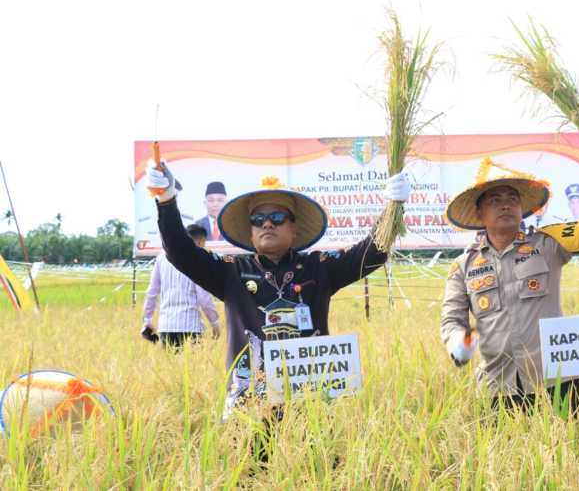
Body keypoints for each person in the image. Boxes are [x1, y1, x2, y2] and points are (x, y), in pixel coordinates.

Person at [145, 165, 411, 416]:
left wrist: (392, 209)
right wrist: (166, 201)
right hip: (248, 404)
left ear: (293, 228)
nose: (267, 224)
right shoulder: (231, 271)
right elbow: (180, 251)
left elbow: (370, 254)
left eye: (277, 217)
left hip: (309, 403)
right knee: (247, 465)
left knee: (315, 465)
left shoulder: (318, 267)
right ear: (251, 232)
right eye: (258, 219)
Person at [440, 150, 579, 415]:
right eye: (495, 200)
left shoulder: (548, 243)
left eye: (512, 199)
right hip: (499, 385)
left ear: (522, 208)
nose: (506, 205)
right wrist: (457, 340)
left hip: (554, 378)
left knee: (566, 451)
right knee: (504, 454)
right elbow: (451, 319)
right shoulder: (464, 266)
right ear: (479, 212)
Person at [142, 224, 221, 349]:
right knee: (193, 367)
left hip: (166, 326)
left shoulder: (161, 258)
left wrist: (147, 321)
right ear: (200, 242)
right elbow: (204, 298)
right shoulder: (197, 260)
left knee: (169, 367)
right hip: (191, 327)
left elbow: (151, 292)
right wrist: (214, 322)